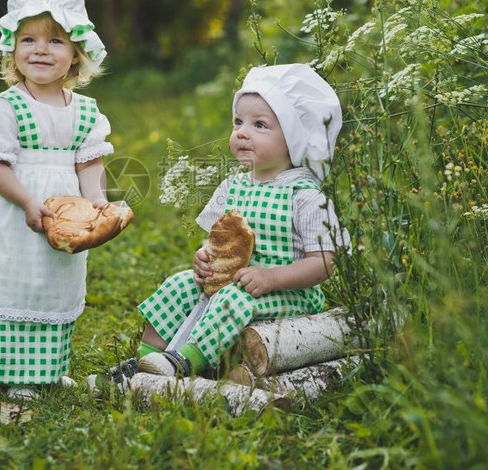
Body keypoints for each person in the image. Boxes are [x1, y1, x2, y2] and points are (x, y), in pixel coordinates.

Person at [92, 63, 350, 388]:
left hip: (290, 294)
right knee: (179, 285)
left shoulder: (306, 196)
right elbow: (215, 241)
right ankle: (146, 359)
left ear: (294, 136)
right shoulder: (233, 185)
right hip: (235, 284)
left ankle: (186, 360)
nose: (242, 132)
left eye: (260, 125)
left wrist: (271, 277)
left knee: (233, 300)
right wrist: (203, 256)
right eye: (238, 122)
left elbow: (326, 262)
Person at [0, 0, 113, 399]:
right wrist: (27, 201)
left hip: (63, 218)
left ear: (76, 53)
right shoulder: (8, 105)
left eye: (55, 40)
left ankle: (46, 368)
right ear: (12, 49)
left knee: (53, 286)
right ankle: (7, 369)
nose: (41, 50)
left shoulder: (85, 111)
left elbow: (89, 164)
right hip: (14, 213)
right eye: (28, 40)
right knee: (11, 282)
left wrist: (97, 204)